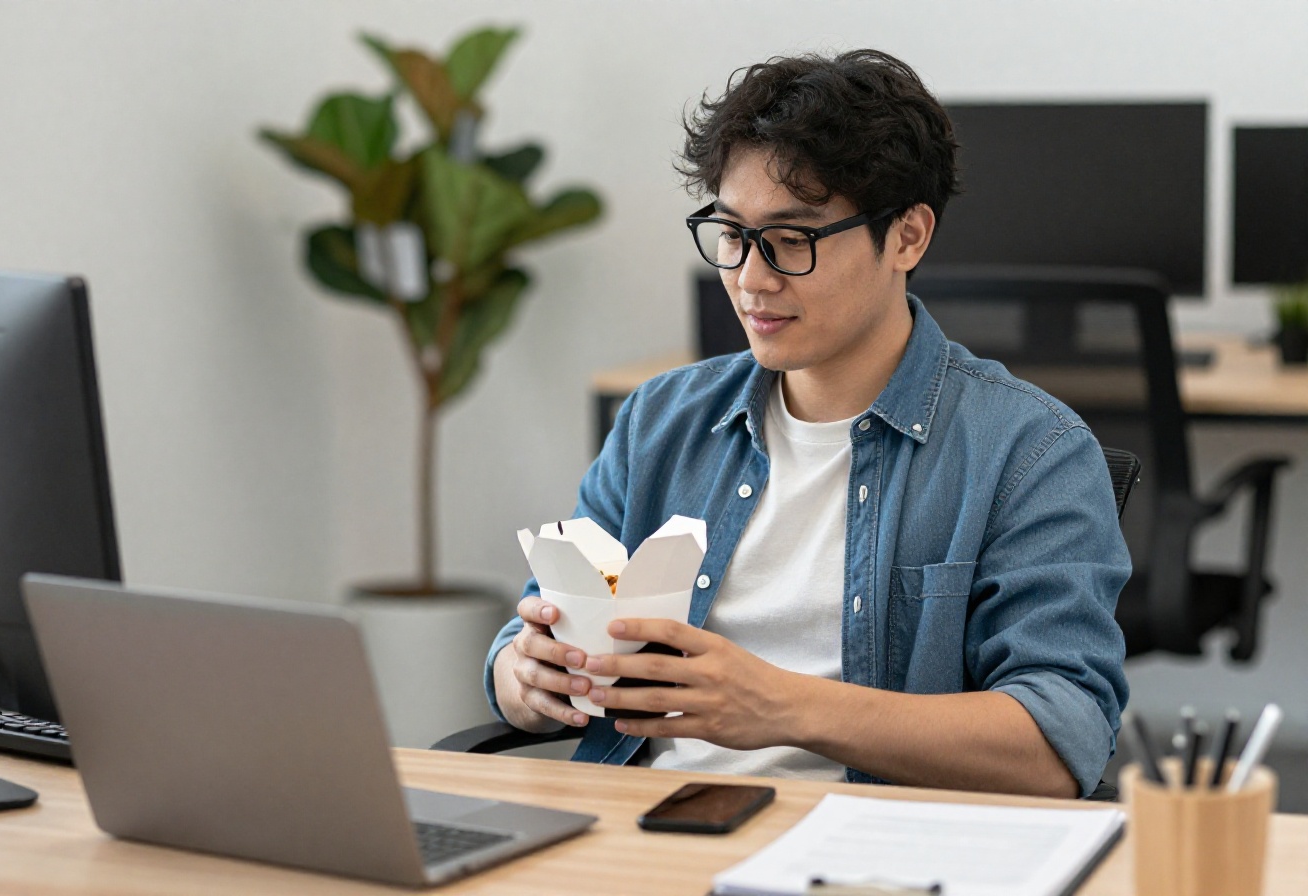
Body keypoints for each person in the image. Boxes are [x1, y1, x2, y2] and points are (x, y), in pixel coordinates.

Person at [482, 49, 1129, 799]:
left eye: (793, 241)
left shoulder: (1030, 451)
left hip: (875, 850)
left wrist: (780, 706)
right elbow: (524, 643)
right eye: (731, 234)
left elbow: (1062, 739)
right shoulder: (661, 420)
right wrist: (525, 677)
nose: (752, 278)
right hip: (650, 829)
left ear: (908, 237)